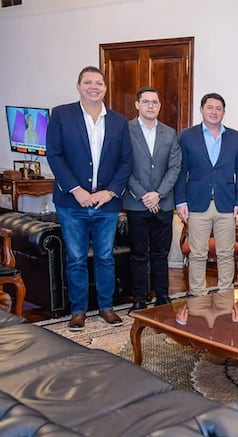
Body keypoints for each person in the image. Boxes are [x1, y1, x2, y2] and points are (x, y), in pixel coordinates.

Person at [46, 66, 133, 331]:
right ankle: (78, 311)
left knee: (105, 257)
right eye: (88, 82)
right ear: (79, 86)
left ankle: (106, 307)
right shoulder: (61, 115)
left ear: (105, 88)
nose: (94, 87)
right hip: (72, 203)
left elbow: (126, 160)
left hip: (107, 203)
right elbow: (55, 155)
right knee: (75, 257)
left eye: (99, 83)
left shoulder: (119, 121)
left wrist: (110, 192)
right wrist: (76, 189)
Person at [174, 93, 238, 296]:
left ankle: (225, 294)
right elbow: (181, 170)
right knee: (197, 254)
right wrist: (180, 201)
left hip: (227, 204)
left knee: (226, 253)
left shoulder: (235, 137)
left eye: (218, 108)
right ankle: (197, 295)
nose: (214, 112)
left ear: (224, 112)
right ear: (201, 109)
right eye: (210, 107)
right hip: (197, 204)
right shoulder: (187, 136)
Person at [124, 86, 182, 312]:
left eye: (155, 102)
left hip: (163, 203)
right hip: (136, 203)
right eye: (146, 102)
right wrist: (143, 195)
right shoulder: (124, 130)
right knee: (139, 254)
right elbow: (123, 166)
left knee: (160, 253)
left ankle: (163, 296)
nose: (151, 106)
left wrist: (158, 194)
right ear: (137, 105)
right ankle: (139, 298)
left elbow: (175, 167)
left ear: (159, 106)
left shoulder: (169, 133)